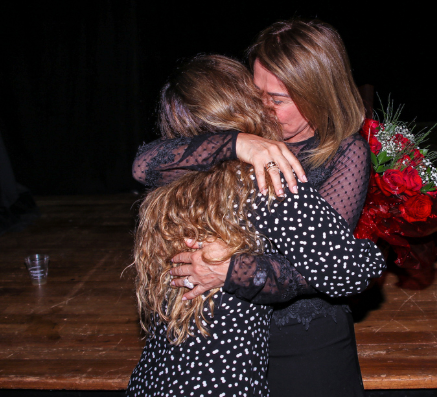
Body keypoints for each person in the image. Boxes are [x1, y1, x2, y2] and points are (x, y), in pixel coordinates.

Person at [132, 20, 376, 396]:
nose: (262, 107)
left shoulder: (343, 154)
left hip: (301, 338)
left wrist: (230, 270)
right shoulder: (248, 140)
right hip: (232, 343)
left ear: (318, 93)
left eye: (277, 99)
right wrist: (237, 142)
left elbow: (322, 269)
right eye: (255, 92)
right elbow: (144, 164)